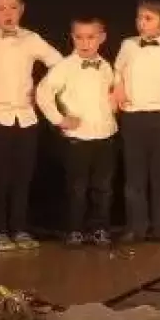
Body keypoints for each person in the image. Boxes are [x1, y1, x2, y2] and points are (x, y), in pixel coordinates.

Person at [0, 0, 63, 251]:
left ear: (21, 9)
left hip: (26, 118)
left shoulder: (31, 38)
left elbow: (59, 63)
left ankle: (20, 228)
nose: (7, 13)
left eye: (12, 7)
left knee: (23, 177)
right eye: (1, 8)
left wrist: (41, 88)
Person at [36, 16, 117, 247]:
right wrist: (59, 119)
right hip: (78, 139)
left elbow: (109, 95)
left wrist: (113, 107)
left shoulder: (106, 66)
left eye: (90, 37)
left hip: (105, 135)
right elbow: (43, 93)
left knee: (103, 188)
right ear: (72, 38)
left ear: (102, 38)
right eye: (79, 37)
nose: (85, 42)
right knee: (77, 188)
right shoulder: (65, 67)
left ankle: (100, 229)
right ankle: (75, 230)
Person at [112, 0, 160, 244]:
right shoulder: (128, 45)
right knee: (135, 176)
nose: (141, 23)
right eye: (139, 18)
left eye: (148, 18)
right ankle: (136, 227)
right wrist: (119, 87)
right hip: (133, 115)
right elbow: (117, 71)